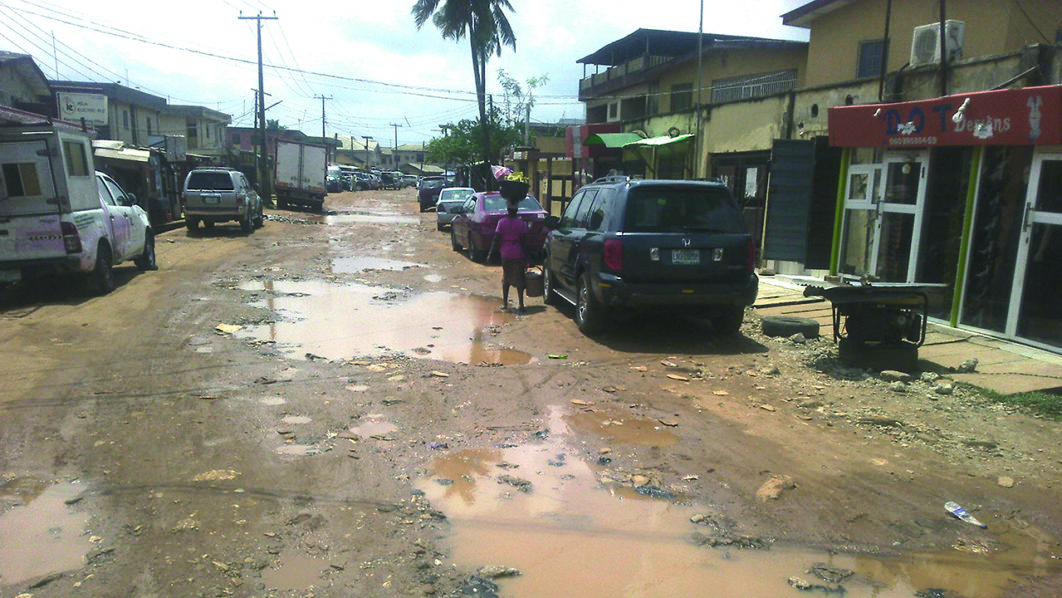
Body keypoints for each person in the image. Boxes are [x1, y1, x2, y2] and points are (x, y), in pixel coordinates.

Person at [487, 197, 529, 313]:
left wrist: (491, 254)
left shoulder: (501, 222)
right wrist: (527, 257)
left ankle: (505, 304)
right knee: (519, 278)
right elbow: (525, 241)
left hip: (505, 254)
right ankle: (521, 304)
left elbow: (496, 239)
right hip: (518, 253)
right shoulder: (521, 224)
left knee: (506, 278)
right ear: (517, 210)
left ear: (507, 210)